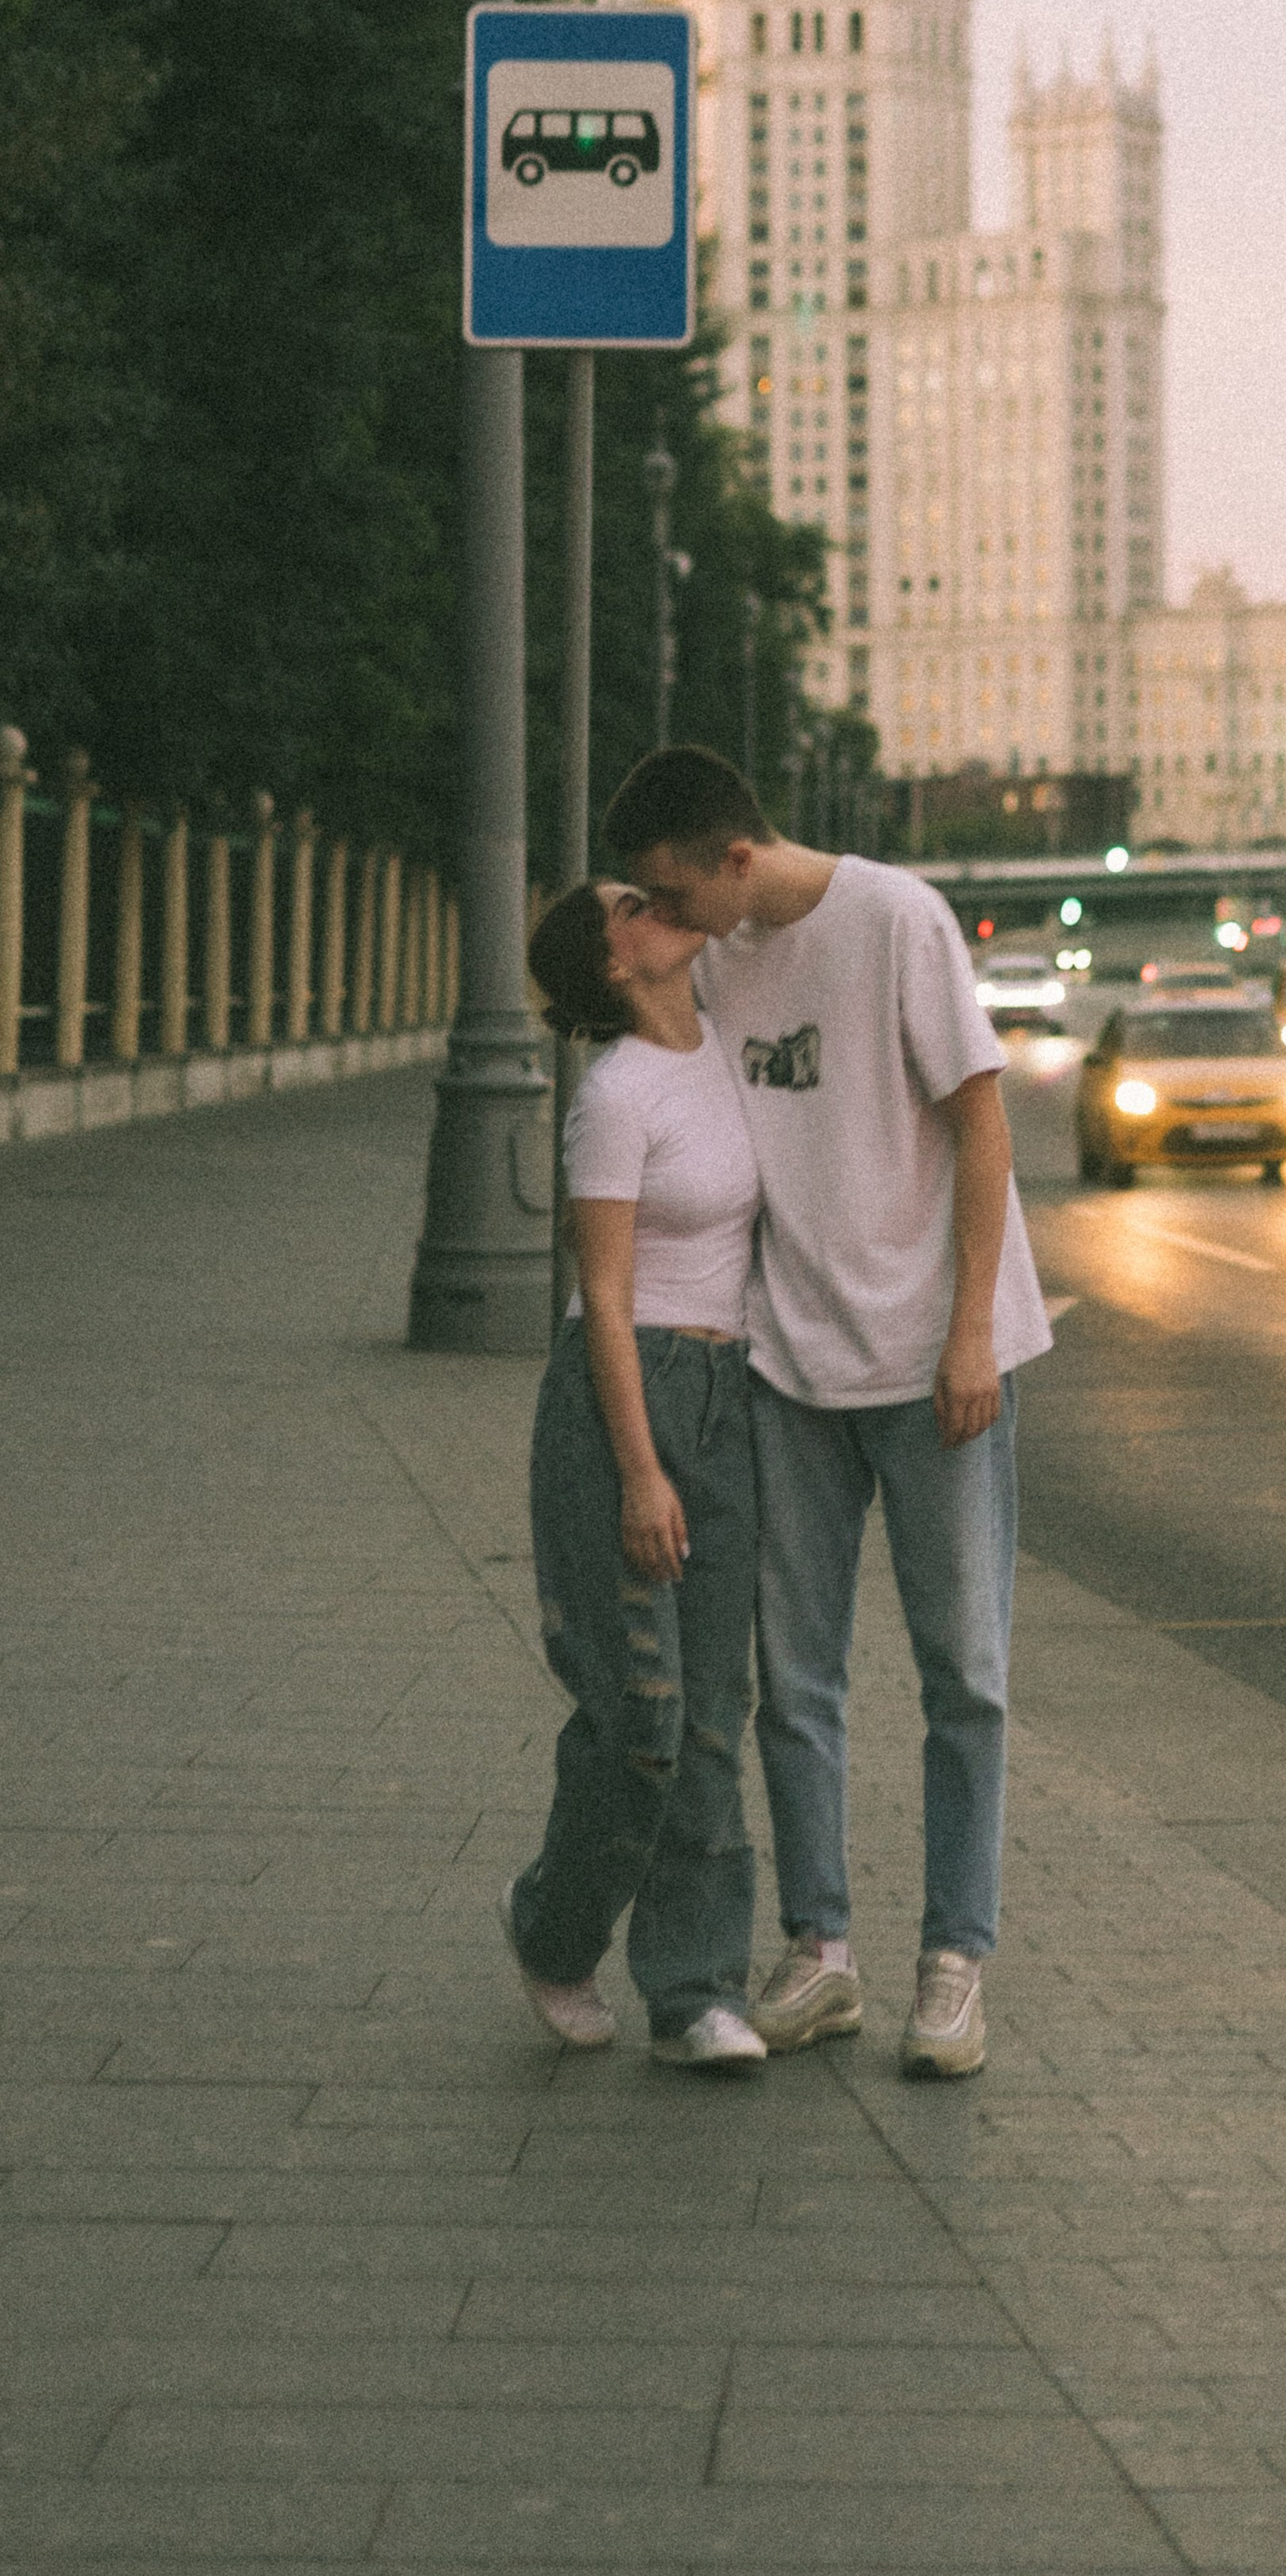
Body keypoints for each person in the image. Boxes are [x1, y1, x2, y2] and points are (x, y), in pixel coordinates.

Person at [601, 745, 1052, 2080]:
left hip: (935, 1365)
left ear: (738, 858)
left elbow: (983, 1124)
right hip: (789, 1365)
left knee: (963, 1673)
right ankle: (822, 1952)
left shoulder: (896, 920)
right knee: (795, 1681)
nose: (671, 918)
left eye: (678, 892)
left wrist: (970, 1331)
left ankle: (955, 1965)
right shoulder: (717, 955)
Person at [500, 878, 766, 2070]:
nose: (659, 900)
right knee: (642, 1717)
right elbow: (603, 1296)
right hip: (622, 1403)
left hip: (725, 1396)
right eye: (633, 903)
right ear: (613, 963)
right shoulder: (613, 1098)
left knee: (710, 1718)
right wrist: (640, 1470)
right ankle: (552, 1929)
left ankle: (695, 1993)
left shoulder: (732, 1048)